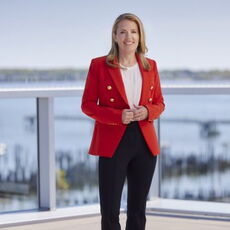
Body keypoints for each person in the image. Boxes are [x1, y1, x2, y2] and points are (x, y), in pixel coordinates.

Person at [81, 13, 165, 230]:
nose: (129, 37)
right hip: (112, 142)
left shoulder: (150, 66)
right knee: (109, 211)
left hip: (144, 143)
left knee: (138, 211)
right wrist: (118, 116)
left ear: (140, 36)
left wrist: (147, 111)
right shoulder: (99, 65)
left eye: (134, 32)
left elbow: (159, 103)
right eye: (123, 32)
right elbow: (88, 105)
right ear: (115, 36)